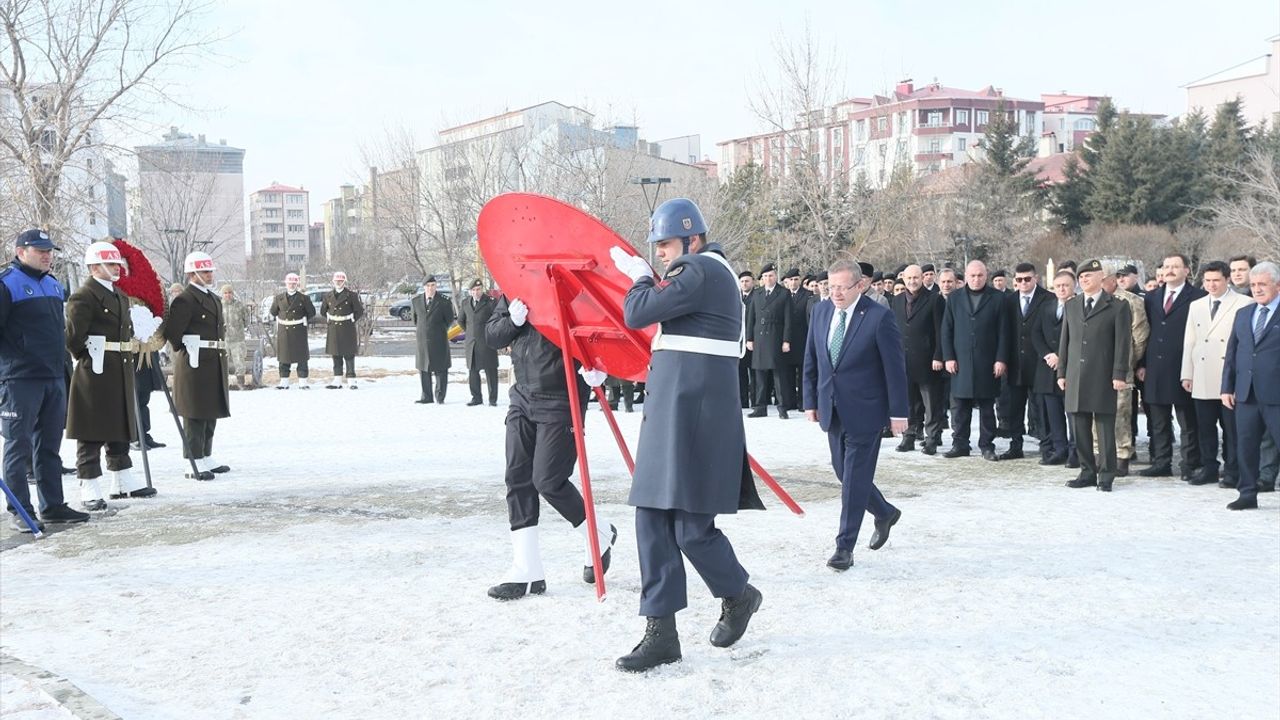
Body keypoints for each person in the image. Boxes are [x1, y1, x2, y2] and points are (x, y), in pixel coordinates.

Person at [612, 197, 764, 672]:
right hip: (680, 416)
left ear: (692, 238)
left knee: (691, 529)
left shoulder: (699, 270)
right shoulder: (701, 272)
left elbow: (637, 311)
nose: (659, 253)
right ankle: (662, 632)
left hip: (694, 418)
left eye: (665, 244)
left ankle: (739, 595)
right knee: (654, 520)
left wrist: (637, 275)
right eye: (655, 246)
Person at [482, 295, 616, 600]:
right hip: (523, 395)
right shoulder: (516, 287)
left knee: (548, 480)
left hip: (562, 396)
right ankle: (527, 569)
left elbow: (605, 332)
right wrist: (511, 321)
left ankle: (598, 534)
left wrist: (602, 367)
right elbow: (491, 335)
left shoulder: (576, 288)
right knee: (517, 478)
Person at [804, 257, 907, 571]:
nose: (835, 293)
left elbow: (895, 369)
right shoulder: (821, 311)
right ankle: (884, 511)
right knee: (843, 472)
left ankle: (844, 547)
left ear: (860, 285)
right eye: (830, 286)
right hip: (831, 408)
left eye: (842, 287)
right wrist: (811, 401)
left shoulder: (878, 317)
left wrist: (899, 412)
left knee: (854, 481)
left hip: (867, 412)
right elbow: (812, 358)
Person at [1, 229, 89, 532]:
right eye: (39, 250)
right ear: (21, 251)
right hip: (19, 379)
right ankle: (20, 510)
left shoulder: (53, 285)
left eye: (49, 250)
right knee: (18, 446)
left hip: (53, 376)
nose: (47, 255)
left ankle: (53, 506)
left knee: (49, 446)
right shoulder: (7, 284)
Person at [64, 242, 157, 511]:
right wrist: (92, 354)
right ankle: (89, 481)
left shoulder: (119, 295)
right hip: (96, 368)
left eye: (117, 264)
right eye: (110, 264)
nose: (116, 268)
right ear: (94, 267)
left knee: (119, 422)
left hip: (119, 366)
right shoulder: (84, 296)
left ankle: (121, 476)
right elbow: (73, 339)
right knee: (91, 427)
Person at [1057, 259, 1131, 492]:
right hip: (1076, 374)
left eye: (1089, 275)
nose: (1084, 279)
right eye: (1081, 277)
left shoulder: (1118, 306)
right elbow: (1065, 342)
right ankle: (1087, 471)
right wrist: (1062, 371)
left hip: (1103, 374)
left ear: (1102, 277)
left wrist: (1119, 373)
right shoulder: (1072, 305)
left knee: (1104, 426)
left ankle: (1107, 474)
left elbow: (1123, 343)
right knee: (1079, 426)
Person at [1179, 261, 1250, 487]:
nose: (1211, 285)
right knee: (1205, 427)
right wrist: (1186, 373)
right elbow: (1189, 341)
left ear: (1227, 279)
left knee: (1231, 429)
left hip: (1229, 376)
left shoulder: (1243, 303)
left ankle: (1232, 470)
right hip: (1202, 374)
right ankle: (1209, 467)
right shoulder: (1197, 305)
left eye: (1216, 280)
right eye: (1207, 281)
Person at [163, 251, 231, 481]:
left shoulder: (213, 298)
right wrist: (189, 346)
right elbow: (173, 334)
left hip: (213, 359)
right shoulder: (185, 299)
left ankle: (205, 454)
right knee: (195, 412)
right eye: (204, 271)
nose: (209, 274)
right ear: (192, 273)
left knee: (210, 409)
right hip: (194, 361)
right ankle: (191, 459)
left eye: (210, 270)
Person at [1137, 254, 1206, 479]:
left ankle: (1189, 464)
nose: (1170, 270)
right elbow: (1145, 333)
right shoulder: (1152, 297)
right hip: (1155, 367)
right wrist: (1142, 363)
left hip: (1184, 366)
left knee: (1188, 422)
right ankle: (1161, 462)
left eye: (1175, 266)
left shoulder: (1198, 296)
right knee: (1158, 421)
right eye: (1166, 266)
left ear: (1187, 270)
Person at [1221, 261, 1280, 510]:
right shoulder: (1244, 314)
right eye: (1253, 285)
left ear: (1277, 285)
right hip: (1245, 394)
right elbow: (1233, 353)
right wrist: (1226, 387)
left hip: (1276, 394)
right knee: (1245, 446)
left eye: (1262, 284)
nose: (1257, 289)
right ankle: (1247, 493)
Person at [940, 261, 1010, 461]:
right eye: (972, 276)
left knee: (987, 407)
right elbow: (946, 330)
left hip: (987, 361)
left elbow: (1004, 332)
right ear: (966, 276)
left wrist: (1001, 359)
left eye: (980, 275)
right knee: (960, 407)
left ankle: (987, 445)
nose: (976, 279)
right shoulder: (954, 298)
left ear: (985, 276)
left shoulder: (998, 298)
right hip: (960, 361)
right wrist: (948, 357)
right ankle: (960, 444)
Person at [891, 264, 946, 455]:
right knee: (908, 403)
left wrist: (939, 355)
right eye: (909, 278)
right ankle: (909, 437)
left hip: (928, 361)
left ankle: (932, 439)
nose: (912, 282)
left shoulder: (934, 300)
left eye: (916, 278)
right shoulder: (896, 301)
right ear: (903, 279)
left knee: (931, 403)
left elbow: (941, 331)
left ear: (922, 278)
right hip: (903, 361)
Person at [1100, 268, 1149, 476]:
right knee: (1098, 413)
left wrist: (1130, 360)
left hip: (1122, 367)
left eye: (1102, 279)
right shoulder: (1092, 300)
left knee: (1121, 414)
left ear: (1112, 280)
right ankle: (1099, 454)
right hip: (1096, 367)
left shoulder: (1130, 301)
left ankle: (1122, 456)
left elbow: (1140, 335)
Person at [1002, 263, 1053, 460]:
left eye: (1027, 279)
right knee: (1014, 408)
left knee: (1041, 408)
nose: (1023, 283)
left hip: (1040, 363)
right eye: (1019, 279)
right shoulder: (1008, 301)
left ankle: (1046, 446)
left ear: (1036, 278)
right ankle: (1016, 446)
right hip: (1015, 364)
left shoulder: (1047, 298)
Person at [1031, 270, 1075, 465]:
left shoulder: (1080, 306)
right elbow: (1036, 333)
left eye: (1065, 285)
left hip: (1071, 369)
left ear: (1073, 286)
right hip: (1048, 368)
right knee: (1053, 413)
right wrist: (1048, 355)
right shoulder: (1046, 306)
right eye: (1058, 286)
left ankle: (1076, 452)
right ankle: (1059, 449)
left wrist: (1061, 357)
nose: (1062, 289)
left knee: (1072, 414)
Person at [746, 263, 793, 418]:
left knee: (778, 374)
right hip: (759, 337)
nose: (768, 278)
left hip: (775, 336)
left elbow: (788, 319)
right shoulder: (757, 293)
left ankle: (782, 407)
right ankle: (760, 407)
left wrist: (786, 340)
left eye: (771, 275)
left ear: (775, 276)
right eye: (765, 276)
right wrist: (749, 338)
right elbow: (750, 318)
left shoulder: (784, 293)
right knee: (759, 374)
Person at [270, 273, 316, 389]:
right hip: (284, 331)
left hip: (299, 330)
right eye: (290, 283)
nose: (292, 285)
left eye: (294, 283)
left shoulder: (304, 298)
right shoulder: (278, 298)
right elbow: (273, 312)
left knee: (302, 357)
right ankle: (284, 382)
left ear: (297, 284)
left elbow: (312, 312)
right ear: (286, 284)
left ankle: (303, 382)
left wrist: (303, 319)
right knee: (284, 356)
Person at [412, 277, 454, 404]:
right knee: (424, 368)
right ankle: (426, 396)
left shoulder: (444, 301)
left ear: (436, 286)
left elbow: (449, 320)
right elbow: (415, 320)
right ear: (424, 287)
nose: (430, 288)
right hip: (422, 341)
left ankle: (440, 396)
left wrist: (438, 330)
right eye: (428, 285)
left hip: (439, 340)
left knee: (440, 368)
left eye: (433, 285)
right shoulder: (416, 301)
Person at [320, 271, 364, 389]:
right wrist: (331, 318)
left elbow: (359, 311)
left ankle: (351, 380)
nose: (338, 283)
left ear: (344, 282)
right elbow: (323, 311)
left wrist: (351, 319)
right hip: (333, 327)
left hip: (347, 327)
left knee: (349, 355)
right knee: (336, 355)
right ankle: (337, 380)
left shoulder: (352, 295)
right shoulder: (328, 296)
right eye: (337, 281)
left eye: (341, 281)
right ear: (333, 282)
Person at [457, 279, 498, 406]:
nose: (476, 292)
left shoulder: (491, 302)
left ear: (482, 290)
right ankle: (476, 398)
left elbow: (497, 320)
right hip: (472, 343)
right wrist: (470, 332)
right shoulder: (465, 303)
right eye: (473, 290)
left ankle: (492, 399)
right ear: (470, 291)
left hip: (487, 342)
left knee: (490, 371)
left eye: (478, 289)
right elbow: (461, 321)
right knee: (473, 371)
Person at [220, 284, 253, 389]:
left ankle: (240, 383)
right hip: (223, 339)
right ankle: (223, 384)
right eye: (225, 293)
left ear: (232, 294)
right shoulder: (218, 306)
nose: (228, 295)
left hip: (237, 339)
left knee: (239, 362)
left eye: (229, 293)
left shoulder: (239, 305)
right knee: (221, 362)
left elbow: (247, 320)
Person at [737, 270, 756, 408]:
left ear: (753, 282)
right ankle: (743, 401)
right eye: (742, 281)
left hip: (754, 340)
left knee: (755, 372)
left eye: (747, 281)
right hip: (739, 340)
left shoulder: (758, 296)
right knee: (740, 372)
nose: (744, 284)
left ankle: (756, 400)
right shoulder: (735, 297)